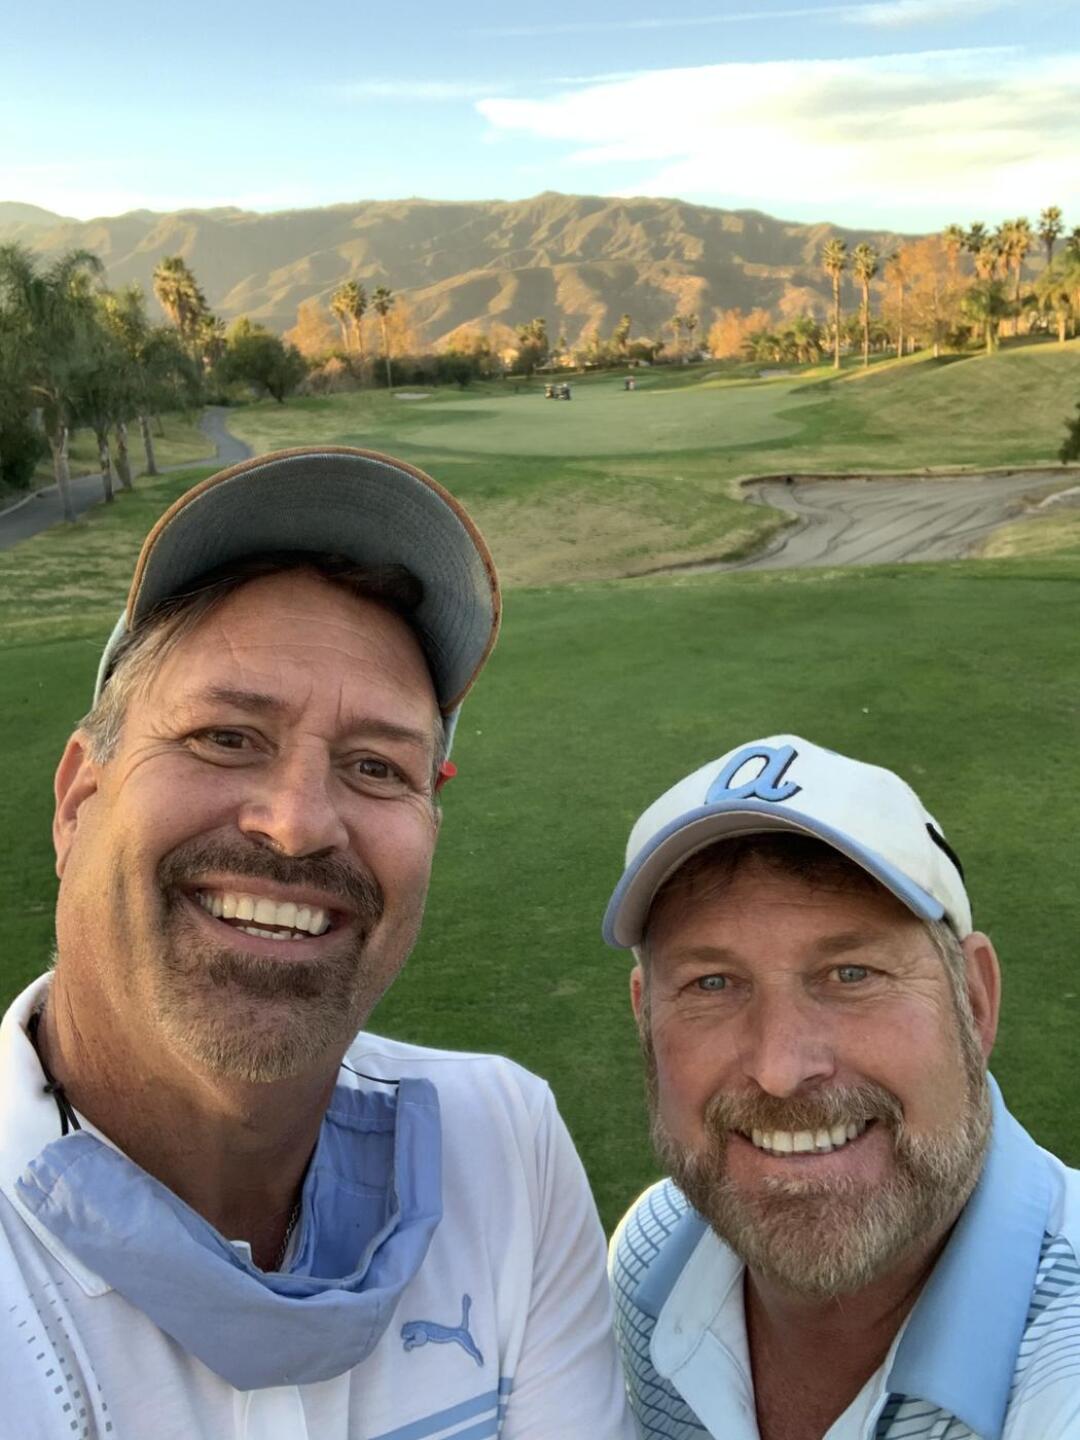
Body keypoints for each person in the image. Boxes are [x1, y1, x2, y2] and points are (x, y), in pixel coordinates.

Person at [0, 448, 633, 1439]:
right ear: (80, 800)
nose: (297, 824)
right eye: (225, 737)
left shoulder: (505, 1147)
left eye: (376, 766)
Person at [605, 736, 1080, 1440]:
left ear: (975, 1003)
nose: (780, 1067)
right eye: (712, 983)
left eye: (852, 974)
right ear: (645, 1018)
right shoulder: (647, 1253)